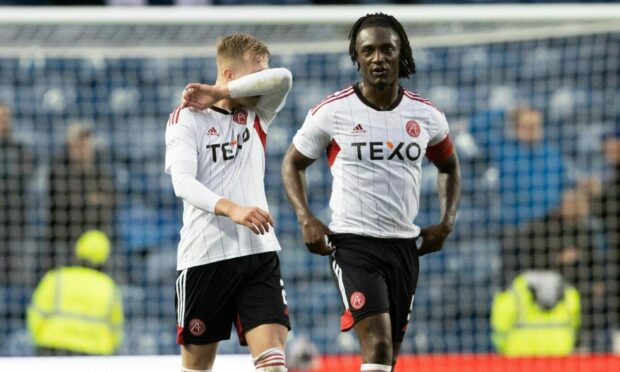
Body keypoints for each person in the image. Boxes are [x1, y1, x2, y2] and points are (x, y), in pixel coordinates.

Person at [281, 13, 461, 372]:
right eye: (369, 51)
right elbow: (292, 164)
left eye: (386, 49)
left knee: (388, 357)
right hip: (353, 243)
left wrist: (446, 221)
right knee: (377, 347)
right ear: (357, 57)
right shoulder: (333, 112)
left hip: (404, 246)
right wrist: (307, 218)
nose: (378, 58)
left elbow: (449, 167)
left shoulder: (426, 116)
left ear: (401, 53)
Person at [166, 33, 292, 372]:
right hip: (206, 256)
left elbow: (284, 78)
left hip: (258, 252)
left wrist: (219, 92)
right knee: (198, 367)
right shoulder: (187, 118)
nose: (264, 81)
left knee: (274, 364)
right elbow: (183, 183)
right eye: (257, 73)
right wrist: (232, 208)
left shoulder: (259, 112)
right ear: (232, 74)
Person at [501, 187, 605, 349]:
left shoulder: (586, 230)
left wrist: (599, 282)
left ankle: (583, 344)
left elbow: (595, 261)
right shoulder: (541, 227)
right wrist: (559, 259)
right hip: (544, 287)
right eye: (573, 203)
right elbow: (528, 260)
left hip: (577, 289)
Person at [27, 230, 123, 356]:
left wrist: (40, 340)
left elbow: (36, 313)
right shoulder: (108, 286)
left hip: (53, 347)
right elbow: (116, 327)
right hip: (94, 353)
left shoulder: (56, 277)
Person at [469, 106, 567, 227]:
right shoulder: (504, 151)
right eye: (528, 126)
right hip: (516, 228)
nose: (533, 131)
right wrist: (505, 111)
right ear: (516, 129)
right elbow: (476, 126)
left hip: (549, 226)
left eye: (536, 126)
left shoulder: (552, 155)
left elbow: (567, 183)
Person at [48, 122, 116, 270]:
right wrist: (92, 200)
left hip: (97, 241)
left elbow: (111, 203)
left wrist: (87, 199)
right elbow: (68, 204)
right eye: (79, 142)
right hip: (67, 242)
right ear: (70, 145)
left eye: (86, 142)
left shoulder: (100, 171)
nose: (83, 147)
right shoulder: (58, 171)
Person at [491, 270, 580, 356]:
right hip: (560, 353)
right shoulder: (567, 288)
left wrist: (502, 348)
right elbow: (575, 321)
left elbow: (501, 325)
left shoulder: (514, 289)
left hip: (519, 355)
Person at [0, 102, 33, 284]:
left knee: (16, 281)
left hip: (14, 228)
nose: (3, 122)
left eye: (5, 117)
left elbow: (24, 177)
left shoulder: (19, 150)